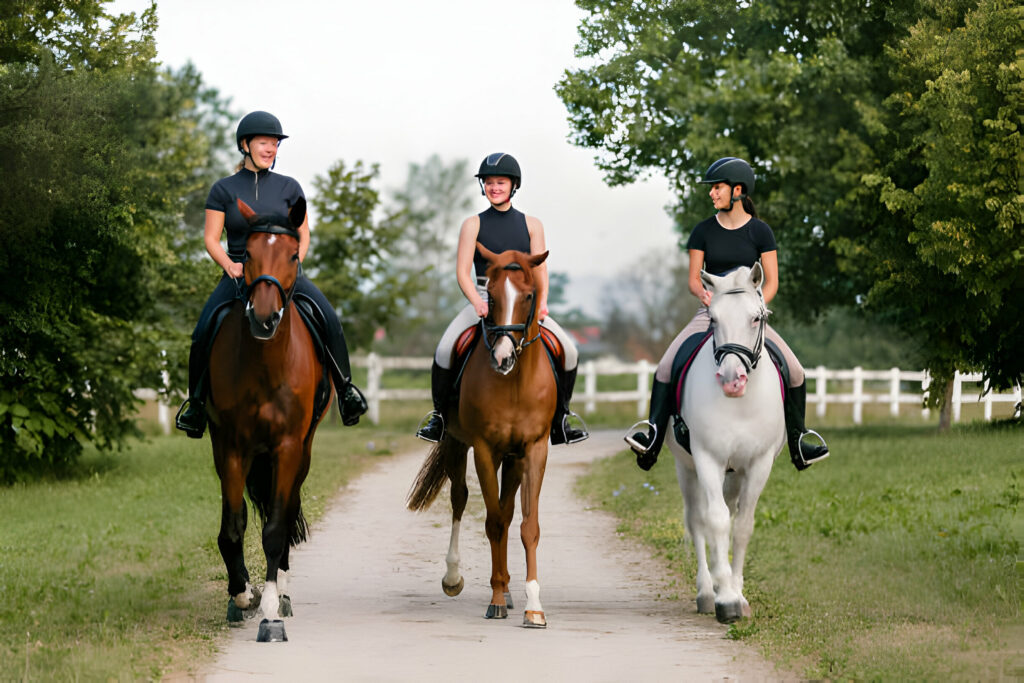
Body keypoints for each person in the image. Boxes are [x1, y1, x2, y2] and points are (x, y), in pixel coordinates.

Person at [625, 157, 829, 471]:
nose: (712, 194)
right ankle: (652, 437)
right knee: (665, 366)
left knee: (796, 370)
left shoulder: (761, 232)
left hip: (749, 315)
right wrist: (704, 295)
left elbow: (771, 281)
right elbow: (694, 278)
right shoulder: (703, 231)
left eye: (717, 188)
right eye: (712, 189)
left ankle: (798, 440)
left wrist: (757, 306)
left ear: (737, 190)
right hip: (710, 312)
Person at [175, 110, 366, 437]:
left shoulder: (290, 187)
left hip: (285, 275)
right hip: (239, 273)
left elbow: (303, 233)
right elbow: (211, 238)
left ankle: (346, 391)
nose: (270, 148)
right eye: (264, 142)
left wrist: (294, 265)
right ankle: (195, 404)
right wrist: (230, 265)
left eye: (275, 143)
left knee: (330, 318)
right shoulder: (223, 189)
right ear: (245, 145)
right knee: (203, 329)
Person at [415, 152, 589, 445]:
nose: (495, 187)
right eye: (489, 182)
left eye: (501, 182)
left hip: (523, 302)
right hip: (485, 295)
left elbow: (541, 271)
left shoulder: (532, 224)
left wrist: (543, 301)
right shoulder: (473, 224)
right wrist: (477, 301)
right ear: (483, 186)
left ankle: (561, 418)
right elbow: (462, 272)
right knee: (445, 349)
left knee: (569, 350)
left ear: (513, 186)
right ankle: (440, 418)